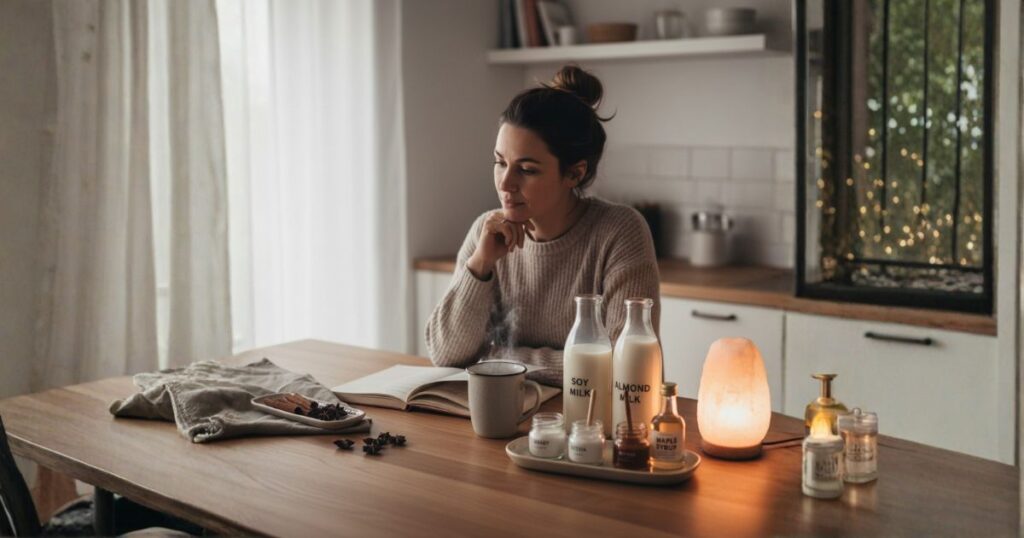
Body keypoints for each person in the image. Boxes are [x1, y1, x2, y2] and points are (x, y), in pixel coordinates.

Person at [425, 65, 660, 386]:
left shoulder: (619, 232)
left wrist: (497, 357)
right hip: (506, 411)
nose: (505, 183)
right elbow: (445, 354)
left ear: (574, 173)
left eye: (527, 169)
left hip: (589, 416)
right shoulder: (486, 231)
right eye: (500, 162)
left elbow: (624, 367)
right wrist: (480, 264)